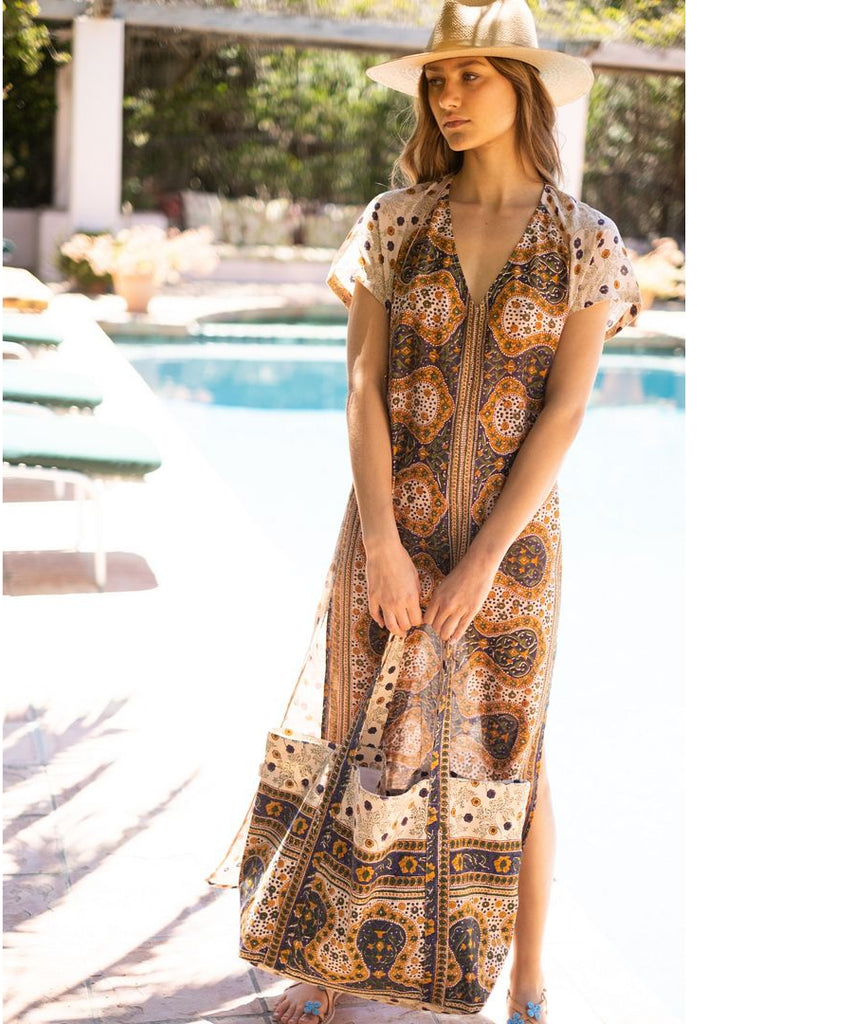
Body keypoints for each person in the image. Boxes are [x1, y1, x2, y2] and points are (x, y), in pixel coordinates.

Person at [215, 3, 640, 1022]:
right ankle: (328, 959)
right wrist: (381, 543)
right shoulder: (395, 222)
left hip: (513, 547)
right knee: (356, 732)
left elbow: (566, 409)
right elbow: (362, 384)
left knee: (509, 752)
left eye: (472, 76)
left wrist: (486, 557)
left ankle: (526, 982)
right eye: (436, 80)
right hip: (387, 530)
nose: (448, 97)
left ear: (522, 88)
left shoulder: (587, 240)